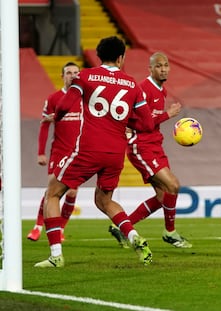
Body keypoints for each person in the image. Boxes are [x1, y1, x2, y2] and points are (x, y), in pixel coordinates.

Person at [34, 36, 155, 268]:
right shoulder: (132, 84)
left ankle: (56, 255)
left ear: (99, 56)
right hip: (115, 153)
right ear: (121, 58)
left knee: (53, 194)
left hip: (88, 150)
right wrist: (126, 123)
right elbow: (147, 125)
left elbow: (64, 105)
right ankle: (133, 237)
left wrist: (56, 117)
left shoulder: (85, 76)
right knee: (104, 200)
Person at [109, 52, 192, 248]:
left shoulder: (161, 91)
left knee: (164, 197)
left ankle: (121, 227)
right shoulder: (143, 89)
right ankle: (170, 232)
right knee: (173, 185)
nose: (163, 69)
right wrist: (167, 115)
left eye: (166, 65)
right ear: (150, 69)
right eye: (159, 66)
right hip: (141, 146)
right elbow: (142, 123)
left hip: (155, 145)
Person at [27, 62, 80, 242]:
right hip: (59, 151)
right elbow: (44, 126)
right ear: (62, 76)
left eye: (75, 73)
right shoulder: (54, 98)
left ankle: (61, 228)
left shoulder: (84, 98)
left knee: (72, 193)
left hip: (78, 153)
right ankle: (37, 226)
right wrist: (41, 152)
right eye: (69, 73)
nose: (72, 75)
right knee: (52, 189)